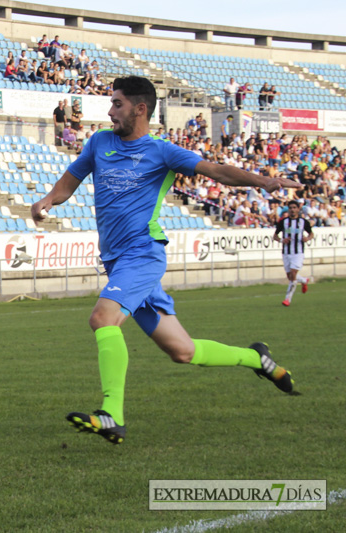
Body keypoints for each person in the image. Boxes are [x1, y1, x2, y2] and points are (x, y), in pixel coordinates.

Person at [30, 76, 300, 445]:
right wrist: (48, 200)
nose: (110, 111)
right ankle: (259, 360)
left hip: (142, 254)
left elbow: (217, 172)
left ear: (140, 109)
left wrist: (262, 181)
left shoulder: (163, 152)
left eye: (118, 104)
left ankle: (112, 414)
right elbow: (70, 180)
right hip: (118, 261)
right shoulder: (99, 143)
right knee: (183, 352)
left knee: (102, 318)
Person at [274, 200, 313, 307]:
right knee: (290, 276)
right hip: (286, 252)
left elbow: (311, 234)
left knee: (293, 274)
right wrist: (282, 240)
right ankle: (304, 280)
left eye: (294, 208)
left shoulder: (303, 222)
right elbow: (275, 236)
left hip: (298, 252)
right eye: (290, 208)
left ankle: (287, 299)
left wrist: (307, 238)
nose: (292, 210)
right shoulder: (283, 222)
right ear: (288, 209)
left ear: (298, 209)